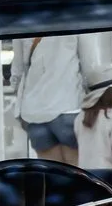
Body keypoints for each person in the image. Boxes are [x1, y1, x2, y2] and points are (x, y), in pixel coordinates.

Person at [13, 33, 106, 164]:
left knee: (53, 176)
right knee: (76, 175)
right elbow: (90, 68)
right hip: (69, 109)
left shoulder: (24, 22)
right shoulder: (79, 21)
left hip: (34, 115)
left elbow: (17, 72)